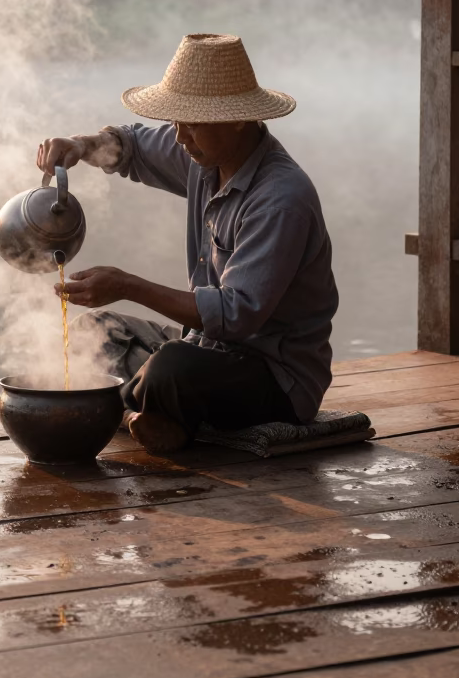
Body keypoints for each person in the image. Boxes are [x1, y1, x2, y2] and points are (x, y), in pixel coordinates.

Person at [38, 33, 339, 455]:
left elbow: (235, 317)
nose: (180, 137)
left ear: (239, 119)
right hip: (206, 347)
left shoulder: (281, 199)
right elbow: (132, 148)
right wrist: (81, 145)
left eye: (192, 123)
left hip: (273, 377)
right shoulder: (204, 155)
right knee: (97, 332)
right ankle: (145, 417)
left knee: (172, 368)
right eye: (176, 122)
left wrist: (127, 285)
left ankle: (132, 410)